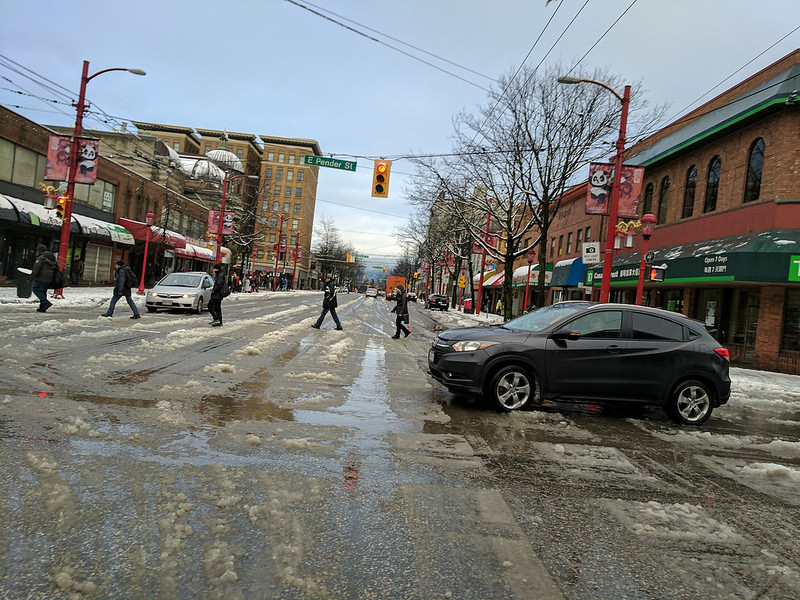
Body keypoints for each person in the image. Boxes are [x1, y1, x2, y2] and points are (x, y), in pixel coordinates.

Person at [29, 244, 56, 313]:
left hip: (41, 278)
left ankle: (45, 302)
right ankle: (42, 308)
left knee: (36, 289)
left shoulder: (41, 258)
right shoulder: (52, 258)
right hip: (49, 278)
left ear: (39, 251)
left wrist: (30, 278)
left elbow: (36, 270)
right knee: (43, 291)